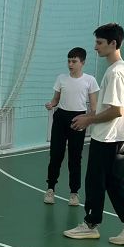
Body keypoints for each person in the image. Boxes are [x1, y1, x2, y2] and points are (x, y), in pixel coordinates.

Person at [64, 23, 124, 245]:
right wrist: (91, 114)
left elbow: (116, 110)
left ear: (113, 43)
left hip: (108, 137)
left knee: (95, 181)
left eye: (99, 43)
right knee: (114, 182)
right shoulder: (117, 70)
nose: (95, 47)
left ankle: (91, 225)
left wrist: (88, 119)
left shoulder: (117, 72)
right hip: (114, 136)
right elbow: (110, 107)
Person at [43, 47, 99, 206]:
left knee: (75, 158)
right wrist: (51, 104)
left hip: (78, 119)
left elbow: (93, 106)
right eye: (69, 61)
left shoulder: (90, 80)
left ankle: (74, 193)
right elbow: (56, 99)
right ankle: (50, 189)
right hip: (61, 118)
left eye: (74, 61)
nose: (70, 64)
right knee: (56, 155)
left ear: (83, 62)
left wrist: (90, 119)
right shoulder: (61, 78)